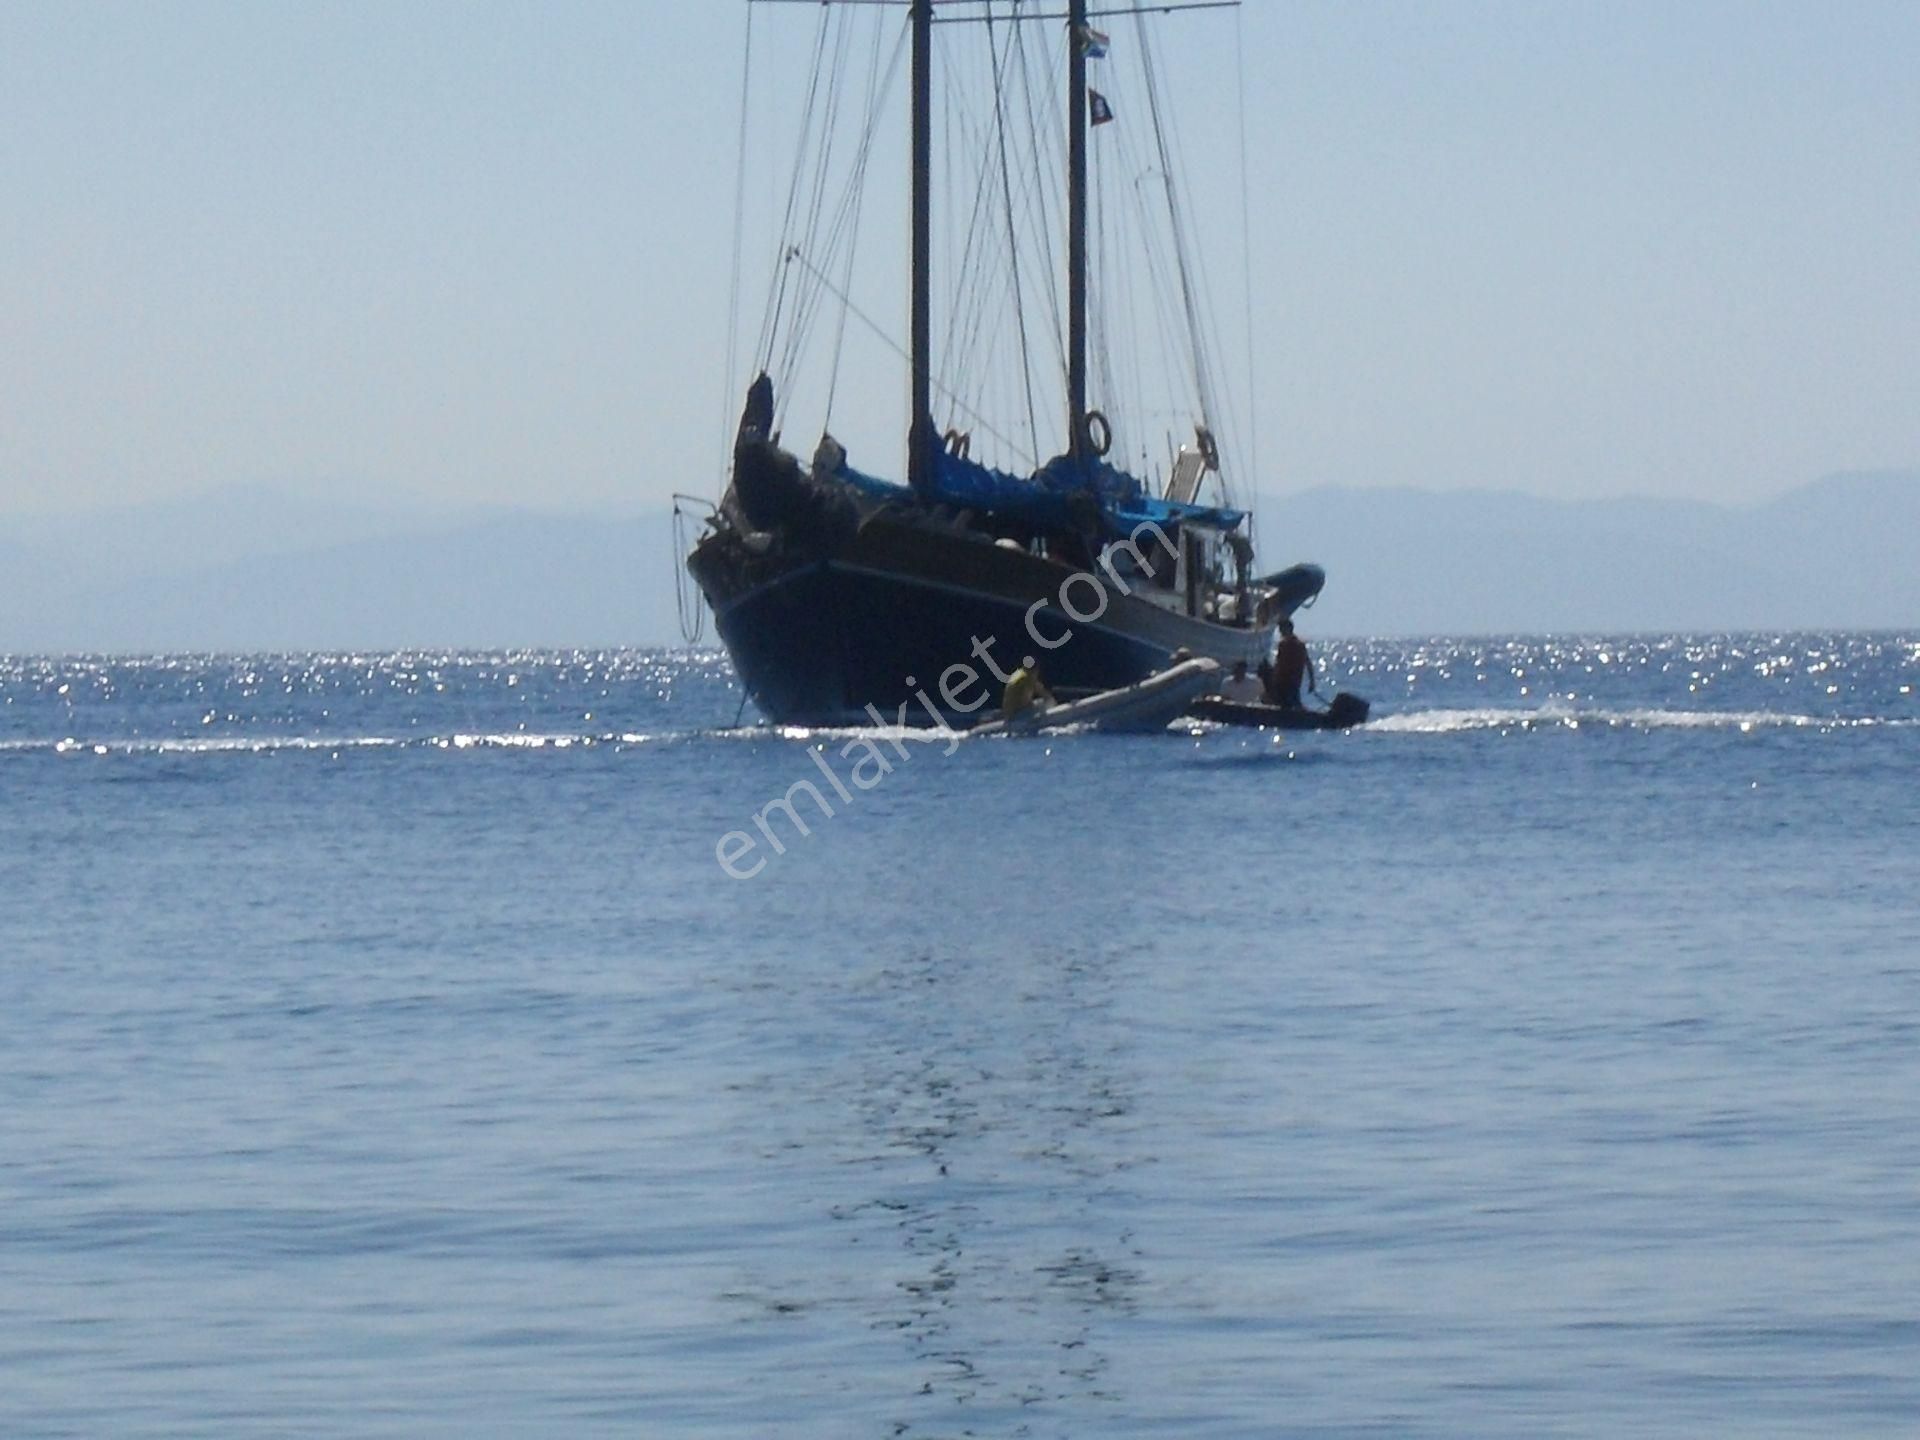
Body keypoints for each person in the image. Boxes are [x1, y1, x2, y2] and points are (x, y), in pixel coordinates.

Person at [1268, 619, 1316, 709]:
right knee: (1290, 702)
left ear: (1289, 629)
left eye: (1282, 629)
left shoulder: (1293, 645)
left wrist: (1312, 681)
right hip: (1287, 681)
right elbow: (1278, 663)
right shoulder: (1286, 644)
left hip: (1288, 681)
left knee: (1290, 702)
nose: (1280, 631)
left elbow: (1307, 663)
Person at [1001, 656, 1056, 720]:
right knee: (1046, 702)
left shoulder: (1018, 674)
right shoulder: (1027, 678)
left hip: (1008, 714)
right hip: (1017, 715)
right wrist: (1050, 699)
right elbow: (1025, 700)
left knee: (1040, 702)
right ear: (1034, 669)